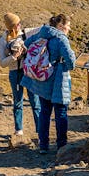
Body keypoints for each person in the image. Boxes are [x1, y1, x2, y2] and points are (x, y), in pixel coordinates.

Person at [21, 13, 76, 154]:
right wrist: (70, 64)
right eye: (68, 26)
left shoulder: (42, 33)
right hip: (57, 79)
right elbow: (70, 60)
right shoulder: (61, 38)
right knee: (61, 112)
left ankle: (43, 145)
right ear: (61, 26)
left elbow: (25, 45)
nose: (69, 29)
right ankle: (61, 146)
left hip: (42, 79)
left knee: (45, 112)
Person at [0, 13, 41, 138]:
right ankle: (18, 129)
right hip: (14, 73)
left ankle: (39, 129)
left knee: (35, 101)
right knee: (18, 101)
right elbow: (2, 63)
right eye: (17, 24)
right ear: (12, 26)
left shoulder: (26, 33)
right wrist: (14, 57)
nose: (20, 25)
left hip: (28, 71)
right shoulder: (2, 41)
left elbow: (42, 29)